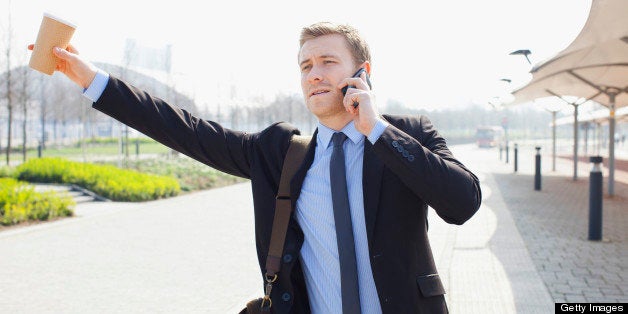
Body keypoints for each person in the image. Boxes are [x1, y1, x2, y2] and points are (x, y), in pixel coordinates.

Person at [30, 21, 481, 313]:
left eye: (327, 62)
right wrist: (92, 80)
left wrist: (376, 130)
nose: (314, 74)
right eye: (306, 65)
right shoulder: (281, 153)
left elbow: (462, 203)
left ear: (362, 71)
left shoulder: (407, 134)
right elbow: (185, 129)